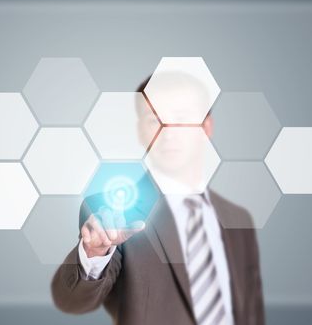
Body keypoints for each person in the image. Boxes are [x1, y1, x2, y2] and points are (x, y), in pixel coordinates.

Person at [51, 73, 265, 325]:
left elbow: (251, 313)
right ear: (140, 130)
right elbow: (72, 300)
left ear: (206, 127)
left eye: (181, 120)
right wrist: (95, 252)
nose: (168, 132)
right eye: (155, 120)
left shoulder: (238, 220)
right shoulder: (112, 213)